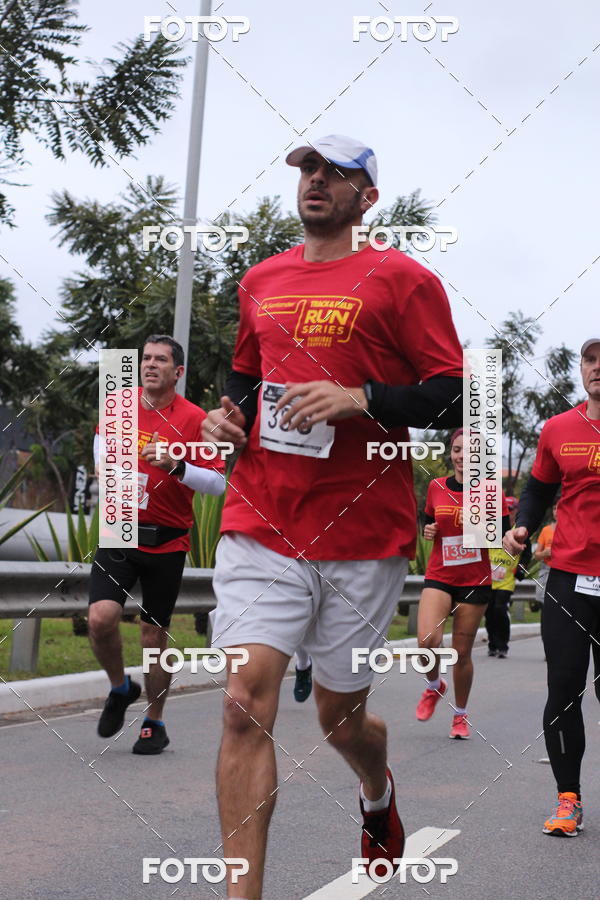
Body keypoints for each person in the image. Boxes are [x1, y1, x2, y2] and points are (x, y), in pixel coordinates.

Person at [202, 134, 464, 897]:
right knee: (244, 704)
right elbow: (245, 381)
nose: (316, 180)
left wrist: (363, 398)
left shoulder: (404, 280)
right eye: (308, 169)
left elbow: (453, 395)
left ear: (367, 197)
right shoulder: (261, 280)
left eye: (336, 173)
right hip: (263, 516)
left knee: (340, 720)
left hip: (360, 531)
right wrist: (228, 422)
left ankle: (376, 792)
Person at [89, 335, 225, 754]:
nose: (150, 365)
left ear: (177, 372)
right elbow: (100, 447)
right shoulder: (119, 404)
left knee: (153, 637)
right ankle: (120, 688)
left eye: (160, 360)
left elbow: (217, 482)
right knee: (100, 618)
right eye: (146, 358)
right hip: (120, 530)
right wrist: (103, 467)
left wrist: (177, 465)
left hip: (167, 539)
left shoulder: (196, 419)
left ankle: (154, 720)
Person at [504, 337, 600, 838]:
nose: (597, 368)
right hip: (568, 577)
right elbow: (539, 487)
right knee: (563, 689)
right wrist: (523, 523)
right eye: (590, 360)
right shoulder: (558, 428)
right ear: (581, 369)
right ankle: (568, 799)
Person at [415, 429, 509, 738]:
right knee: (426, 640)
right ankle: (434, 685)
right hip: (440, 574)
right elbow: (428, 519)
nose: (462, 457)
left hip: (474, 580)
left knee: (461, 653)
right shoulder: (436, 487)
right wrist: (429, 530)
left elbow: (503, 536)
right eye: (457, 450)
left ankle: (460, 714)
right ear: (451, 453)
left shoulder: (491, 492)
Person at [486, 497, 531, 658]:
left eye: (510, 509)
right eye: (505, 508)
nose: (507, 512)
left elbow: (527, 554)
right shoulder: (491, 528)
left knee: (500, 609)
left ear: (516, 511)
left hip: (506, 579)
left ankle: (502, 645)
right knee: (489, 612)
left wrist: (520, 569)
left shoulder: (519, 532)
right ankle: (492, 644)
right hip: (489, 579)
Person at [533, 500, 558, 607]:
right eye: (554, 508)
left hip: (562, 572)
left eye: (559, 508)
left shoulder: (571, 530)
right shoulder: (546, 530)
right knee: (543, 602)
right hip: (546, 570)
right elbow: (536, 555)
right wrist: (544, 553)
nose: (556, 511)